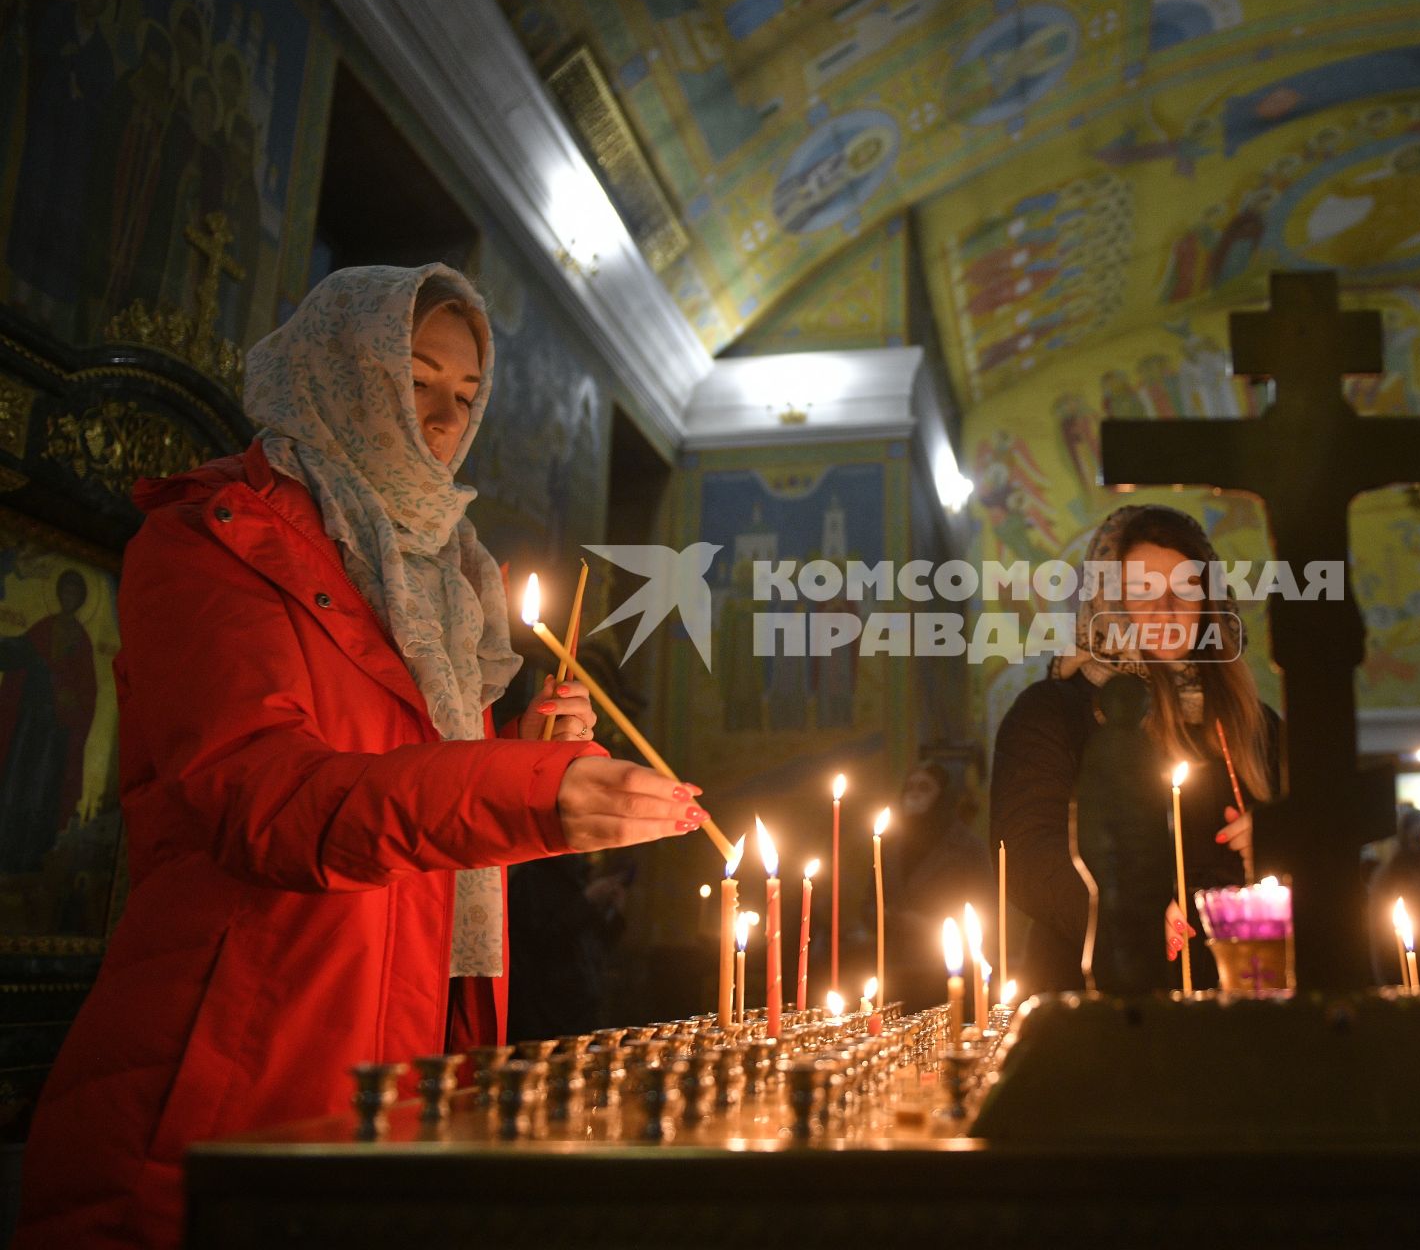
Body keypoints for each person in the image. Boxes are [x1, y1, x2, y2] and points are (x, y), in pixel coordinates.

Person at [18, 265, 709, 1248]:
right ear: (340, 373)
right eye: (413, 379)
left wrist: (518, 756)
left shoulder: (445, 578)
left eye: (466, 396)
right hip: (234, 1062)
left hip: (397, 1052)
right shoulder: (215, 542)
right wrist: (524, 789)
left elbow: (406, 801)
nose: (443, 419)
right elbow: (271, 800)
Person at [991, 504, 1283, 994]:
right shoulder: (1056, 711)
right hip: (1094, 988)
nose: (1166, 611)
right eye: (1143, 591)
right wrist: (1122, 916)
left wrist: (1278, 841)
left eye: (1185, 591)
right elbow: (1026, 852)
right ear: (1108, 600)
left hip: (1234, 989)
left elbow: (1313, 843)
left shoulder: (1251, 723)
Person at [862, 759, 995, 1011]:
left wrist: (929, 925)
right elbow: (868, 903)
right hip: (895, 969)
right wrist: (883, 917)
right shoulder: (889, 846)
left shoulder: (968, 848)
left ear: (943, 796)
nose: (914, 793)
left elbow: (983, 909)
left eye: (924, 787)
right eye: (910, 786)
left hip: (945, 970)